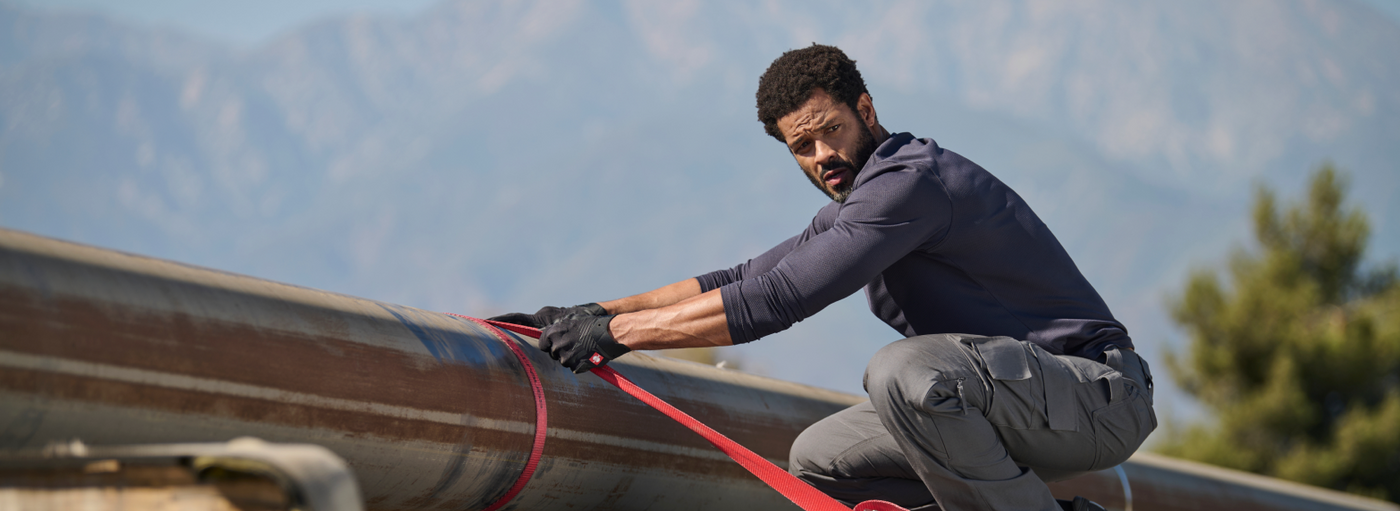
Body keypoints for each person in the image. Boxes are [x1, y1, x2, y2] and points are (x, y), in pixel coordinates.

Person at [491, 44, 1155, 511]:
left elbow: (778, 299)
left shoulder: (910, 184)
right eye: (801, 148)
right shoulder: (864, 201)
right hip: (1009, 403)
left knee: (903, 370)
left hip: (1096, 395)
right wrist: (584, 311)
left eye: (830, 131)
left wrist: (615, 334)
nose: (822, 156)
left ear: (865, 109)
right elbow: (745, 274)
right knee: (820, 463)